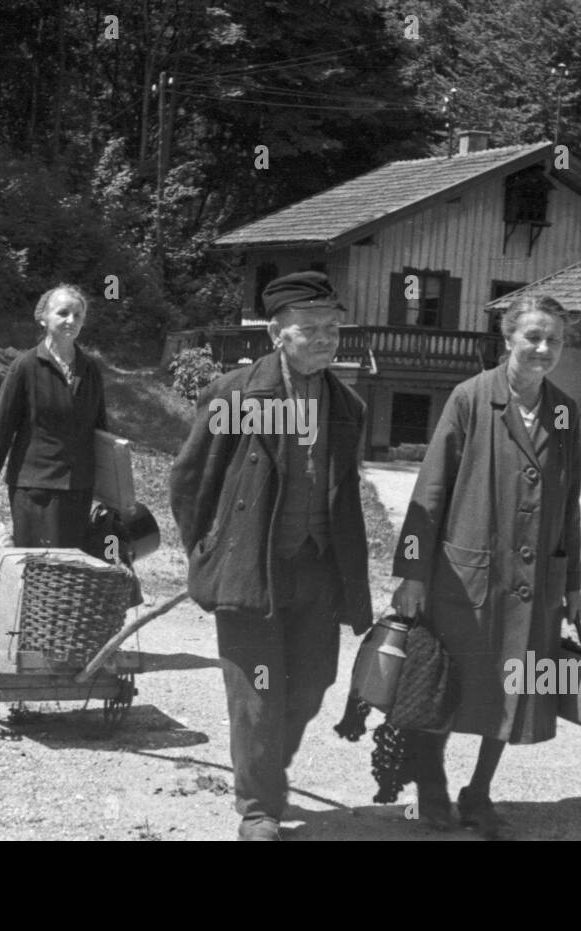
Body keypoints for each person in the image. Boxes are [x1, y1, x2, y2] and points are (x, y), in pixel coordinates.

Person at [169, 271, 373, 841]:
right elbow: (189, 480)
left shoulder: (346, 405)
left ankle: (263, 776)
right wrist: (209, 550)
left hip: (316, 570)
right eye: (312, 329)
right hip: (249, 571)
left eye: (333, 328)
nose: (327, 339)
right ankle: (258, 809)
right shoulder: (237, 395)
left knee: (311, 685)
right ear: (277, 334)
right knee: (257, 695)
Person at [390, 293, 581, 838]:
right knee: (443, 686)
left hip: (531, 585)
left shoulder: (566, 411)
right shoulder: (470, 398)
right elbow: (429, 491)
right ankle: (431, 788)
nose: (544, 349)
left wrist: (571, 585)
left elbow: (569, 504)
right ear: (508, 340)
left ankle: (478, 796)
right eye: (534, 337)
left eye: (555, 340)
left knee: (513, 689)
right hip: (464, 577)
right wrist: (410, 573)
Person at [0, 284, 106, 547]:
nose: (71, 321)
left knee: (70, 570)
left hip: (78, 489)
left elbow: (101, 430)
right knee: (35, 570)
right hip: (34, 488)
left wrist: (112, 490)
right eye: (63, 313)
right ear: (43, 317)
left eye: (77, 316)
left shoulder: (90, 370)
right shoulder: (25, 366)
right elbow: (1, 429)